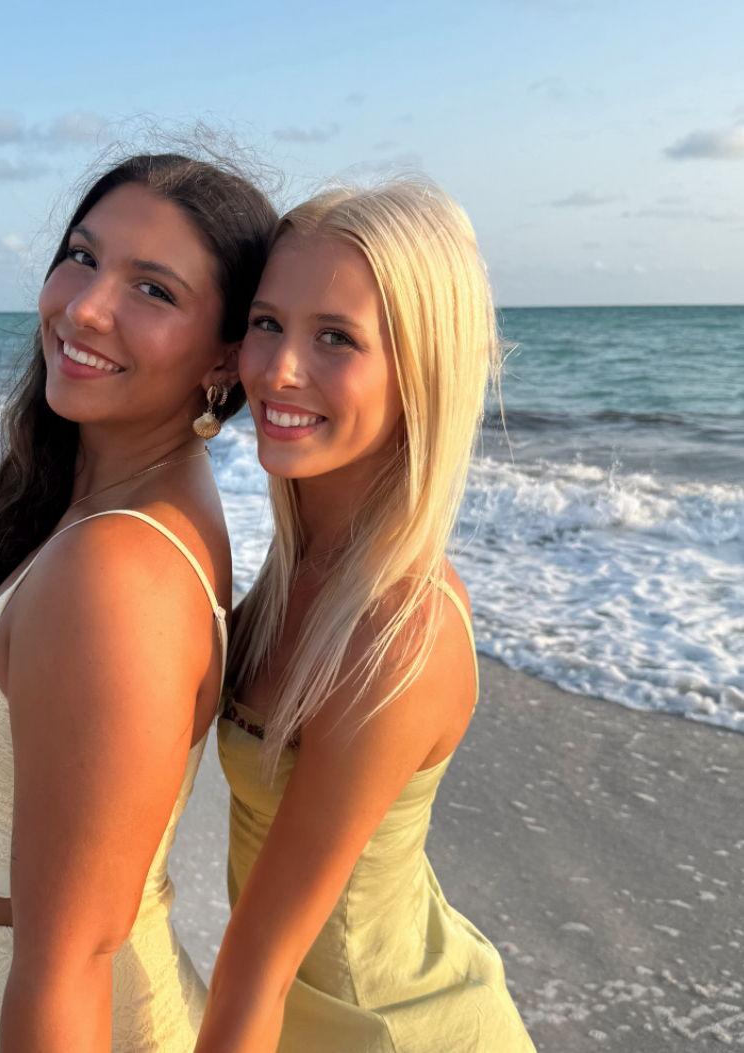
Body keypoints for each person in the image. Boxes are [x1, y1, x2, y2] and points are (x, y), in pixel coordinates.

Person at [0, 151, 275, 1053]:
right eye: (82, 256)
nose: (86, 308)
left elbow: (70, 959)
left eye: (154, 290)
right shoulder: (102, 502)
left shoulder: (117, 571)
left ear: (225, 354)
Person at [196, 180, 535, 1052]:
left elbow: (256, 969)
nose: (278, 370)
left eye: (335, 337)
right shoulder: (297, 570)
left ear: (421, 371)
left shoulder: (397, 633)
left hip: (395, 1030)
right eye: (267, 322)